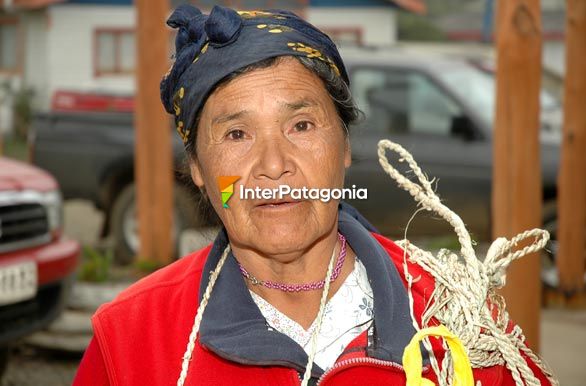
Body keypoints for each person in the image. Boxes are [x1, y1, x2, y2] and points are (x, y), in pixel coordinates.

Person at [73, 5, 555, 386]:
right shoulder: (131, 337)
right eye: (237, 134)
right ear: (197, 169)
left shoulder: (455, 317)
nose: (273, 164)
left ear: (345, 147)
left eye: (301, 125)